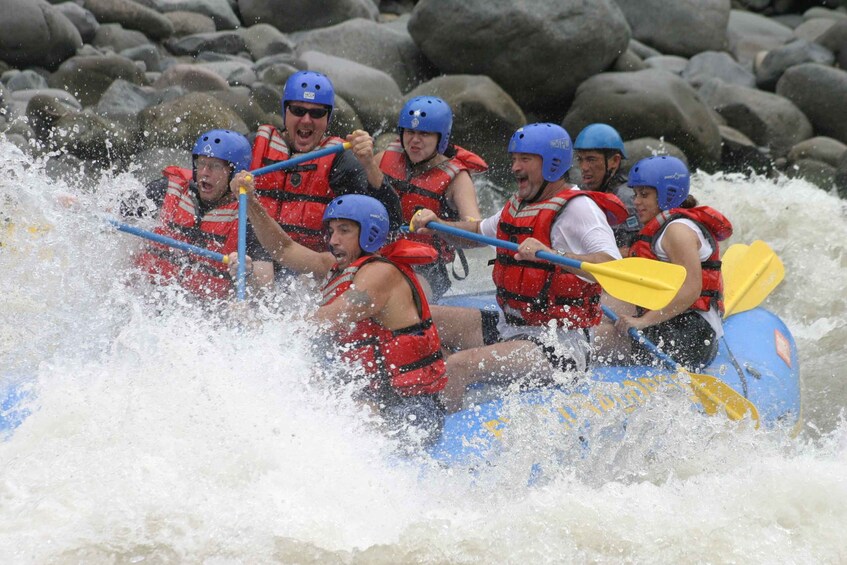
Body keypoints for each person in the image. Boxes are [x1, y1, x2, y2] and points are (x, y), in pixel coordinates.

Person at [412, 123, 628, 412]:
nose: (515, 167)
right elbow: (477, 232)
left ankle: (433, 437)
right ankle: (433, 396)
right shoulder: (519, 204)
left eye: (525, 159)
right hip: (511, 326)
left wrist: (552, 254)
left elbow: (613, 269)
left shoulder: (579, 209)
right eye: (514, 159)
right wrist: (436, 226)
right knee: (417, 319)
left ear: (552, 163)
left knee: (459, 365)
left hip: (558, 344)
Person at [227, 175, 448, 447]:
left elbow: (327, 319)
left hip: (414, 411)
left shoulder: (380, 275)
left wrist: (259, 324)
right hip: (372, 397)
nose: (333, 240)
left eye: (344, 230)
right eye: (331, 230)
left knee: (331, 425)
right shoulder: (339, 267)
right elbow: (284, 249)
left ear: (369, 233)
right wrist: (250, 202)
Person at [249, 70, 402, 254]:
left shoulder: (340, 161)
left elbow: (391, 220)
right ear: (285, 111)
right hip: (251, 259)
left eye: (317, 113)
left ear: (327, 118)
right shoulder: (253, 146)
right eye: (298, 110)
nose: (306, 120)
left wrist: (369, 165)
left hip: (308, 267)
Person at [354, 96, 487, 300]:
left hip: (427, 267)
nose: (415, 140)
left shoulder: (457, 179)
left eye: (424, 133)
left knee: (400, 297)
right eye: (410, 132)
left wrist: (439, 223)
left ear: (441, 138)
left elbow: (477, 234)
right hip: (379, 255)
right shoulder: (383, 159)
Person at [607, 155, 733, 370]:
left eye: (644, 195)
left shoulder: (678, 232)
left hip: (690, 336)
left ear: (668, 194)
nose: (636, 201)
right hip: (674, 323)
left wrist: (643, 322)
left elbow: (691, 289)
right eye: (636, 194)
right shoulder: (665, 228)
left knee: (596, 337)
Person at [133, 129, 274, 300]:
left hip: (204, 311)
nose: (205, 172)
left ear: (235, 173)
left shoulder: (248, 216)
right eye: (201, 164)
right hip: (146, 296)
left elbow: (267, 286)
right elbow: (112, 215)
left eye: (215, 166)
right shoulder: (165, 190)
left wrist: (247, 272)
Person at [574, 123, 640, 256]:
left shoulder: (627, 199)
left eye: (591, 159)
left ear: (614, 161)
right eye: (580, 160)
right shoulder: (581, 192)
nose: (584, 167)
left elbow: (632, 251)